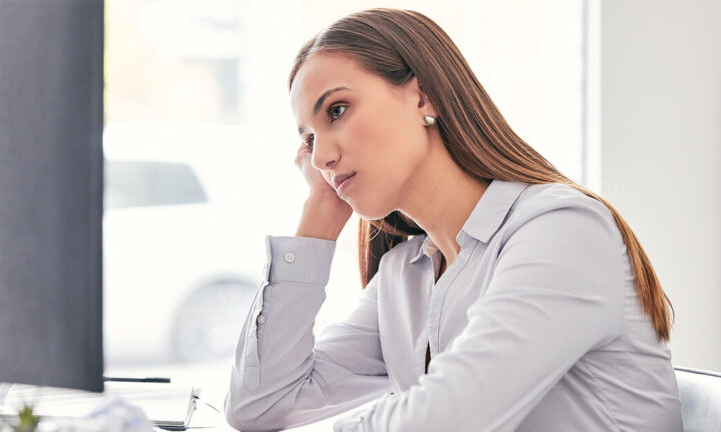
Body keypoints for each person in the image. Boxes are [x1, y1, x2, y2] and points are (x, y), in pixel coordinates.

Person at [224, 8, 683, 432]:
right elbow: (260, 405)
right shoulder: (405, 275)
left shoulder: (562, 230)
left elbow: (450, 415)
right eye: (308, 140)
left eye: (337, 111)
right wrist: (319, 218)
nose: (321, 156)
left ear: (423, 96)